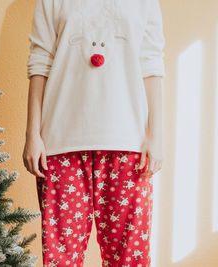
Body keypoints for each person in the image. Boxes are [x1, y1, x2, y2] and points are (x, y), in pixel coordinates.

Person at [23, 0, 165, 266]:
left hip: (128, 143)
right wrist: (33, 135)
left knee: (128, 259)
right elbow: (39, 64)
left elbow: (152, 65)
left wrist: (156, 135)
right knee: (60, 259)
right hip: (61, 143)